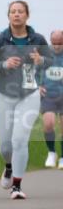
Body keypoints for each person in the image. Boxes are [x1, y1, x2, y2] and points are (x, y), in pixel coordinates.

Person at [0, 2, 49, 199]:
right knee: (6, 146)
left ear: (27, 16)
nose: (16, 15)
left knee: (19, 140)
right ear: (8, 16)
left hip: (29, 95)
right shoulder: (0, 40)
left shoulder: (38, 39)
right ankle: (8, 166)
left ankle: (17, 186)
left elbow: (51, 62)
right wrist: (3, 64)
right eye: (13, 12)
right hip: (2, 95)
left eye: (20, 12)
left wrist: (41, 61)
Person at [40, 30, 63, 169]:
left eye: (60, 43)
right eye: (54, 43)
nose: (57, 46)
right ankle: (51, 152)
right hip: (48, 95)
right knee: (48, 124)